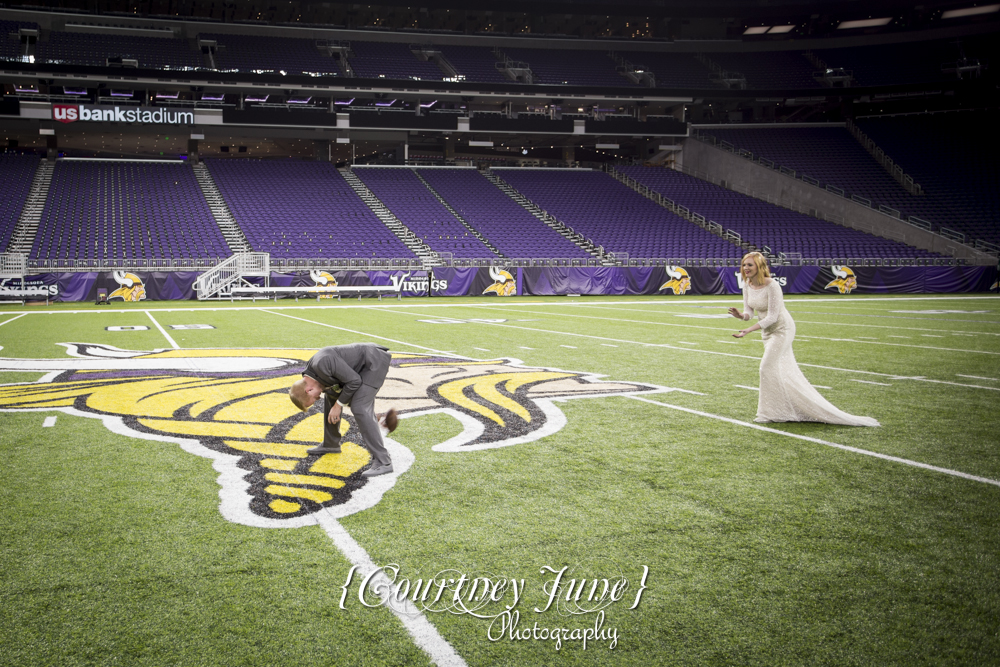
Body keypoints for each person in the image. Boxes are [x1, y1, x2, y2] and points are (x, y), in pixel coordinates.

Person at [728, 252, 879, 427]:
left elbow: (773, 317)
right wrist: (741, 316)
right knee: (777, 370)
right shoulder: (747, 285)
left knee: (765, 367)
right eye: (744, 265)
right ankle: (780, 408)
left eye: (750, 265)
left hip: (782, 329)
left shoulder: (772, 285)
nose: (746, 268)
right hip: (766, 331)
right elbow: (750, 313)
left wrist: (748, 330)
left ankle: (768, 412)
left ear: (760, 267)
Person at [289, 342, 397, 477]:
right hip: (360, 368)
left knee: (360, 407)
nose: (317, 399)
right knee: (330, 396)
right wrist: (337, 403)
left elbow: (354, 381)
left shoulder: (322, 364)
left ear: (309, 390)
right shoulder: (312, 373)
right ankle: (331, 443)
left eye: (314, 399)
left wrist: (338, 405)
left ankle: (383, 462)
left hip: (373, 362)